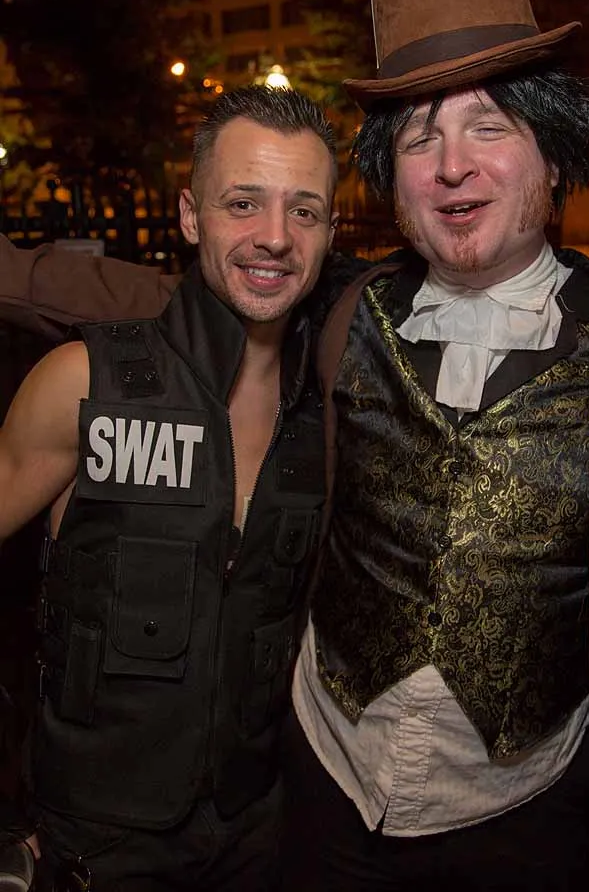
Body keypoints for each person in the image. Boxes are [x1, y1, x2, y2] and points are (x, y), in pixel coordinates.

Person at [0, 0, 589, 892]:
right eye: (419, 138)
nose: (451, 164)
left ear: (554, 153)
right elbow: (181, 290)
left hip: (524, 826)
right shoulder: (347, 311)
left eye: (489, 126)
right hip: (317, 802)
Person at [0, 84, 338, 891]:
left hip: (259, 839)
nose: (273, 237)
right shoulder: (85, 383)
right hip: (94, 846)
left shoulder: (328, 415)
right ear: (191, 216)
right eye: (242, 203)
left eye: (303, 211)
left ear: (329, 232)